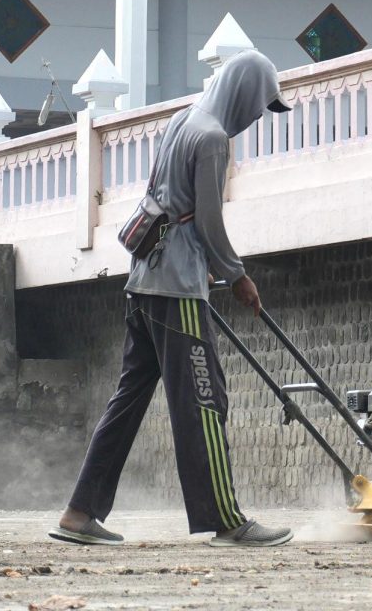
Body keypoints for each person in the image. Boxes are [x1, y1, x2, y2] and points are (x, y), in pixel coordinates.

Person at [50, 49, 294, 549]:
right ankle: (227, 520)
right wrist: (237, 275)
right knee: (204, 401)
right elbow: (207, 220)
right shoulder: (212, 139)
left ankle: (80, 512)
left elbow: (162, 197)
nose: (255, 116)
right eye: (259, 104)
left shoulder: (184, 119)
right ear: (245, 93)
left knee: (129, 399)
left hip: (143, 281)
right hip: (177, 289)